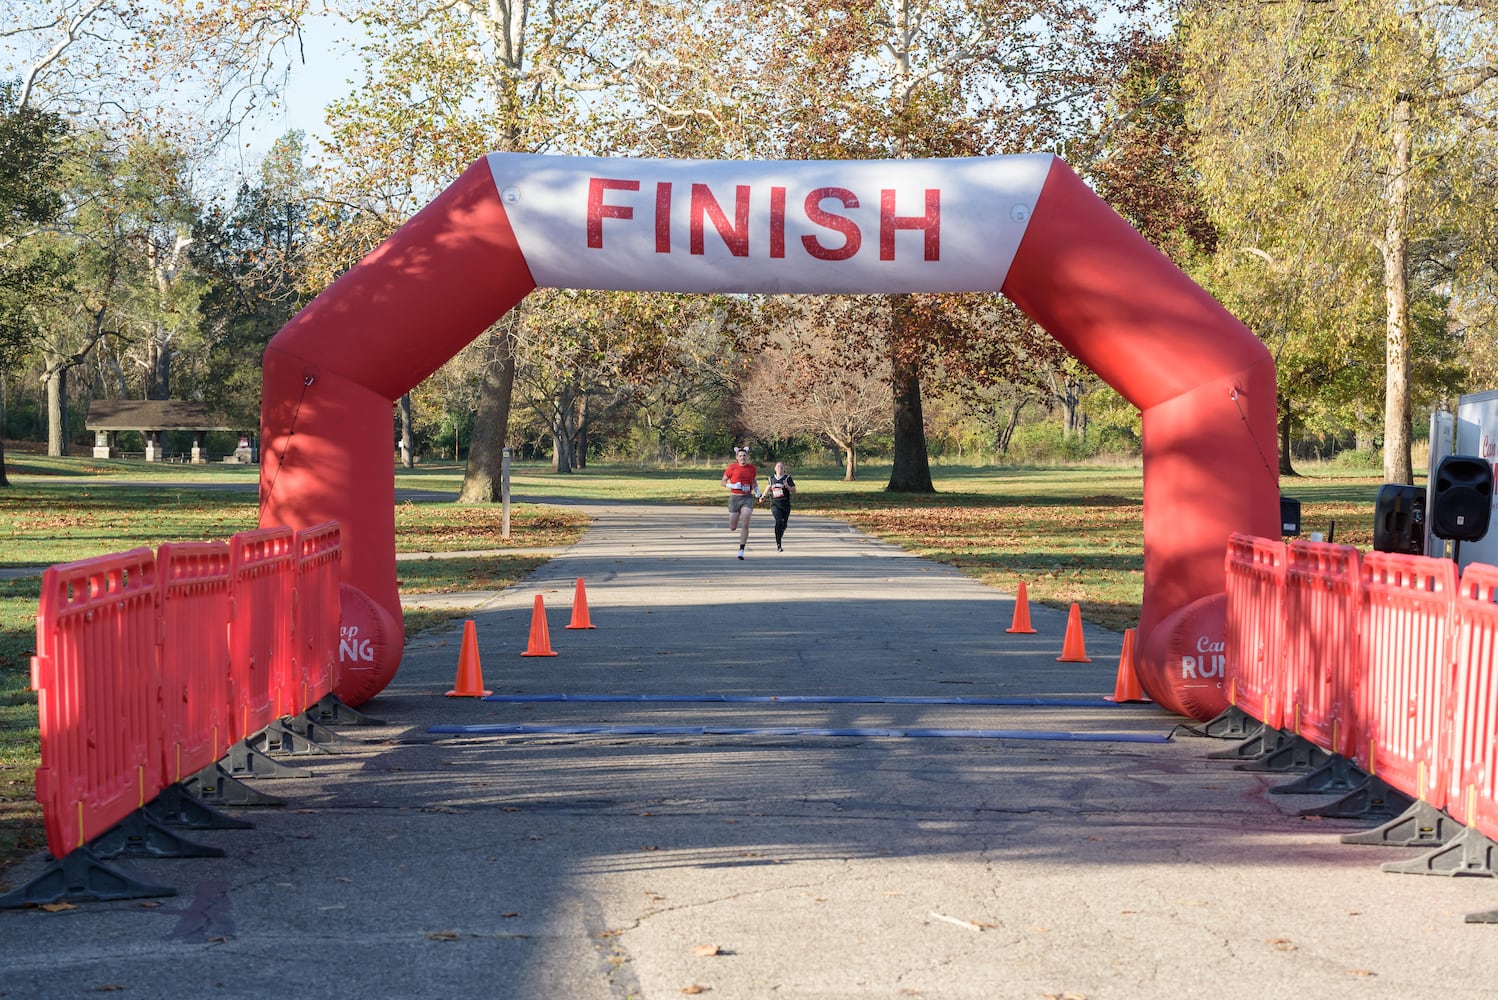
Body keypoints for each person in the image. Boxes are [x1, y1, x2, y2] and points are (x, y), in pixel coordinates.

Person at [721, 446, 759, 559]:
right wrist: (731, 485)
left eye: (744, 456)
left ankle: (741, 550)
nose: (743, 458)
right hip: (734, 498)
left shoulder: (752, 468)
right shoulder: (732, 468)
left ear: (747, 456)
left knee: (746, 522)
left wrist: (757, 491)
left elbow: (754, 482)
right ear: (737, 457)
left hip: (747, 498)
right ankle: (735, 519)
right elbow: (722, 481)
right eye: (740, 456)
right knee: (733, 526)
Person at [765, 460, 797, 552]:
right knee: (778, 522)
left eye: (781, 467)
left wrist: (788, 487)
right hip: (775, 504)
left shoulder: (787, 478)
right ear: (775, 468)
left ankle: (780, 533)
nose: (780, 468)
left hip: (785, 505)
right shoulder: (771, 478)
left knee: (784, 524)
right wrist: (763, 496)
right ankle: (778, 544)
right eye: (778, 467)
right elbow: (768, 487)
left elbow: (794, 491)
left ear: (784, 469)